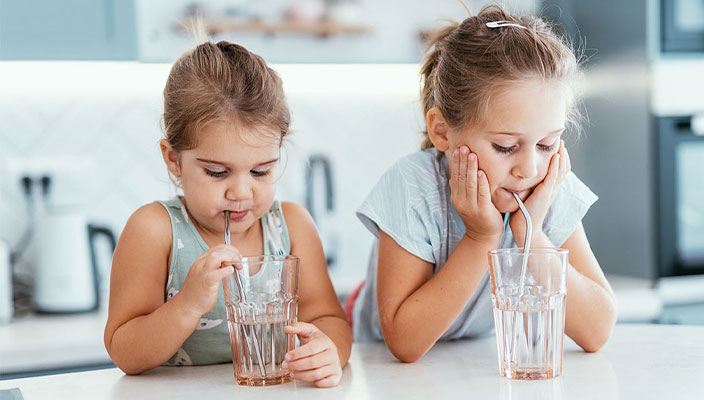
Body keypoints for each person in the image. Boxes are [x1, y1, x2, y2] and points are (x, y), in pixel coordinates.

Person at [349, 5, 617, 362]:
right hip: (378, 368)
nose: (528, 167)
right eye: (505, 147)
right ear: (442, 131)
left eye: (546, 144)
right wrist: (481, 237)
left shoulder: (547, 187)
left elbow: (597, 331)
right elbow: (403, 342)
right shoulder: (413, 187)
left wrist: (531, 234)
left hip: (469, 364)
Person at [104, 40, 351, 387]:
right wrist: (188, 304)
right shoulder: (155, 230)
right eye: (217, 173)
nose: (241, 193)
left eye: (261, 171)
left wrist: (329, 351)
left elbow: (329, 319)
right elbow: (124, 352)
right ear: (173, 159)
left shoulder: (292, 226)